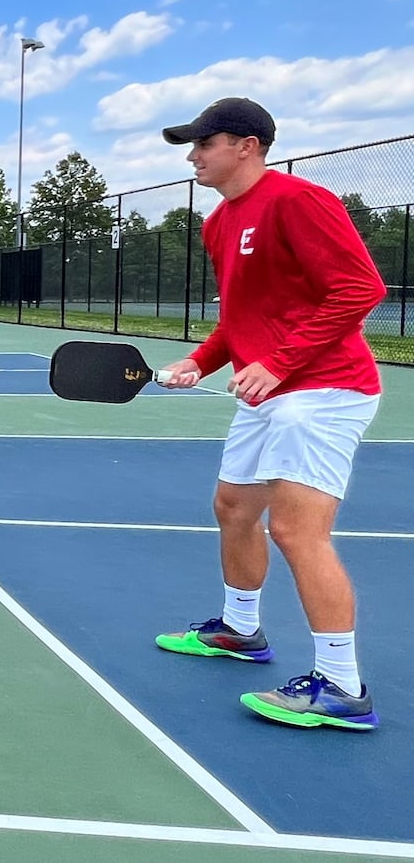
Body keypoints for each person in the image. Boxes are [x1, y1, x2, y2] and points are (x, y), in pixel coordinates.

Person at [154, 97, 386, 731]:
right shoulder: (220, 223)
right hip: (271, 393)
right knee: (233, 507)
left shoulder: (299, 201)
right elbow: (240, 319)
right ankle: (240, 630)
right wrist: (200, 363)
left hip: (325, 391)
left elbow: (361, 288)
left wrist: (280, 363)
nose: (193, 156)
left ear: (247, 145)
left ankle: (342, 687)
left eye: (204, 143)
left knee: (296, 531)